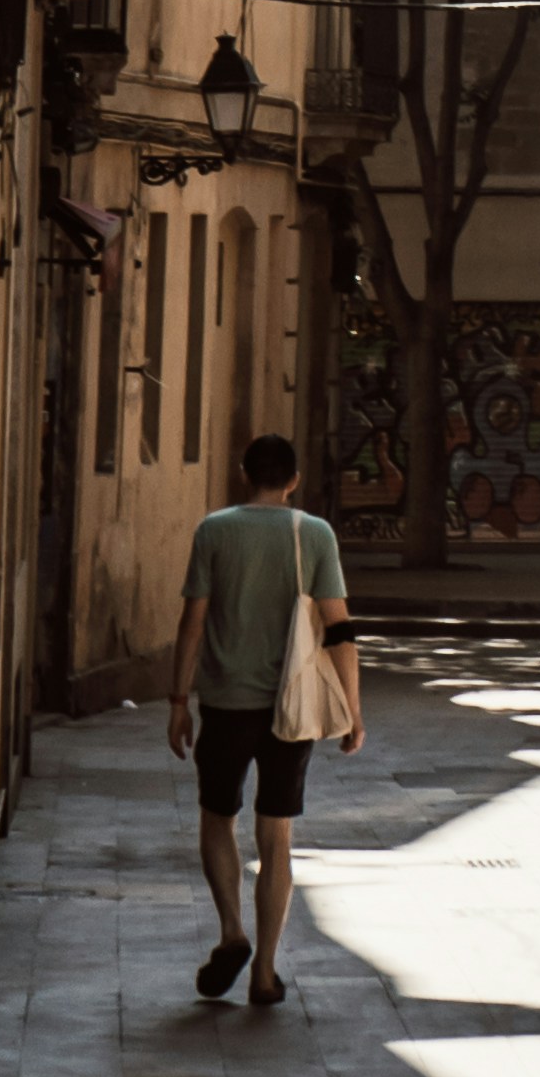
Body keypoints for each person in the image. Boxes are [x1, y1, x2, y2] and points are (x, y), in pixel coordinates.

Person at [167, 428, 360, 1006]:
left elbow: (192, 623)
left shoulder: (215, 530)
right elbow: (340, 626)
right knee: (276, 836)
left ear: (244, 474)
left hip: (225, 702)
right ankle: (265, 973)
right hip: (291, 707)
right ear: (294, 480)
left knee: (216, 817)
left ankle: (232, 931)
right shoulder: (315, 534)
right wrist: (353, 708)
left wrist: (178, 701)